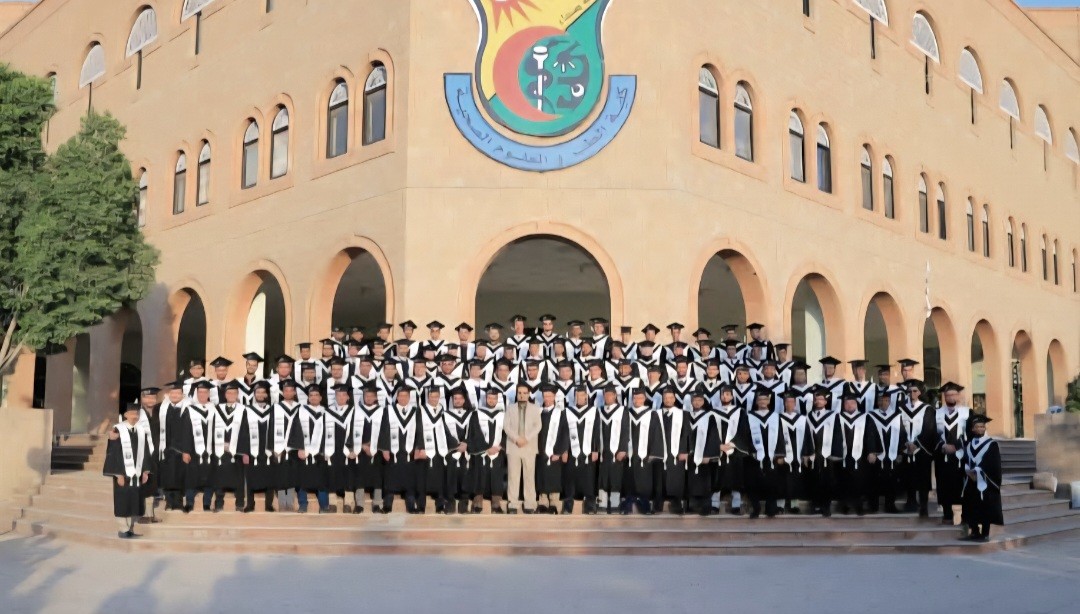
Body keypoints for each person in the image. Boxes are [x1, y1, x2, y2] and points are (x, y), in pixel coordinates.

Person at [103, 403, 153, 539]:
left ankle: (129, 528)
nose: (134, 416)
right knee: (122, 500)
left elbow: (145, 451)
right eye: (131, 413)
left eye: (136, 414)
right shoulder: (118, 429)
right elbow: (112, 452)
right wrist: (118, 474)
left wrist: (145, 471)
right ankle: (122, 529)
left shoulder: (141, 430)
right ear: (125, 415)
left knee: (133, 500)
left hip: (137, 472)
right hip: (122, 472)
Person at [835, 391, 883, 516]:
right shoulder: (838, 418)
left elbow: (871, 436)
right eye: (846, 403)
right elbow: (834, 437)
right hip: (844, 455)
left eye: (852, 402)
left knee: (860, 481)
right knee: (844, 481)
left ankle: (859, 506)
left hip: (861, 456)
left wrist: (872, 452)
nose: (849, 405)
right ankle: (845, 505)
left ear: (856, 404)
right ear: (843, 405)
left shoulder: (865, 418)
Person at [744, 387, 785, 518]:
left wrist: (780, 454)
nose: (762, 401)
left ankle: (771, 507)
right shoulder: (750, 417)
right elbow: (746, 436)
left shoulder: (775, 416)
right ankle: (756, 508)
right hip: (755, 456)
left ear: (768, 401)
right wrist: (751, 451)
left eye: (765, 399)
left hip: (771, 456)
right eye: (760, 399)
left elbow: (780, 436)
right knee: (753, 483)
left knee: (772, 482)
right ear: (756, 401)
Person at [960, 415, 1003, 542]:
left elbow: (993, 463)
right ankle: (974, 531)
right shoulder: (969, 444)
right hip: (971, 480)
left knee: (985, 505)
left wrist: (978, 471)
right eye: (977, 427)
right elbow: (965, 459)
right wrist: (967, 470)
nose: (980, 429)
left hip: (984, 481)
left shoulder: (992, 444)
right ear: (972, 429)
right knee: (971, 505)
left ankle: (985, 533)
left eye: (982, 426)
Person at [622, 387, 665, 515]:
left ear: (644, 399)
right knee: (629, 479)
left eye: (640, 398)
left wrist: (654, 453)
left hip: (645, 454)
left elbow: (656, 434)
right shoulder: (626, 413)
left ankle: (645, 505)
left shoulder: (652, 414)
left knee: (644, 481)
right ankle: (627, 504)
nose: (637, 400)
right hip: (630, 454)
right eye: (635, 398)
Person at [935, 382, 972, 525]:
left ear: (958, 395)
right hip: (943, 455)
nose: (950, 397)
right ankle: (947, 514)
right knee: (944, 484)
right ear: (944, 397)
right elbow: (932, 433)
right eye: (947, 395)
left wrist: (956, 446)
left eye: (953, 394)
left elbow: (971, 433)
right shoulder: (937, 413)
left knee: (962, 484)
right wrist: (942, 446)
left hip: (961, 455)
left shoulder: (967, 413)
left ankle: (965, 515)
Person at [380, 387, 421, 513]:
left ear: (409, 398)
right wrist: (384, 449)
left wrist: (418, 448)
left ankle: (411, 505)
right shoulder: (389, 410)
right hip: (394, 452)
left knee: (410, 480)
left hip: (409, 452)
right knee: (390, 478)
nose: (403, 398)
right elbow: (384, 429)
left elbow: (420, 431)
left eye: (405, 396)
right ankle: (387, 505)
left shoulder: (415, 411)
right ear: (397, 397)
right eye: (400, 396)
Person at [899, 379, 936, 516]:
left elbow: (929, 428)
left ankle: (924, 505)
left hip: (922, 449)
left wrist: (916, 444)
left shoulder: (927, 409)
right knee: (908, 476)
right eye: (909, 391)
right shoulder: (901, 409)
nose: (912, 393)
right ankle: (910, 502)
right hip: (906, 448)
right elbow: (899, 428)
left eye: (915, 391)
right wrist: (906, 443)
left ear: (920, 392)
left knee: (923, 477)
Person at [504, 382, 543, 514]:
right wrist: (516, 438)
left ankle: (530, 503)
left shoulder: (535, 408)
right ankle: (513, 504)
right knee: (513, 476)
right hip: (514, 446)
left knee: (529, 476)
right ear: (516, 394)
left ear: (528, 394)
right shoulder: (510, 408)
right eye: (519, 393)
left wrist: (526, 438)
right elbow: (506, 426)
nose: (522, 395)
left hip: (529, 446)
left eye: (524, 393)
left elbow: (538, 426)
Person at [562, 386, 601, 514]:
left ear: (586, 397)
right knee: (570, 477)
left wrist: (595, 449)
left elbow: (596, 431)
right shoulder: (567, 411)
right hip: (571, 450)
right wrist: (564, 450)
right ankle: (568, 504)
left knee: (589, 477)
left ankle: (590, 504)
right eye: (577, 395)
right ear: (574, 397)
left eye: (583, 395)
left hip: (588, 451)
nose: (580, 398)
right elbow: (564, 432)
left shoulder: (593, 411)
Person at [210, 381, 247, 512]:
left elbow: (245, 430)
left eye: (234, 393)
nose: (231, 395)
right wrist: (221, 443)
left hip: (237, 450)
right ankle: (219, 503)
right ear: (225, 395)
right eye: (229, 393)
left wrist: (241, 448)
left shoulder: (243, 410)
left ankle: (240, 503)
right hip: (220, 448)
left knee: (239, 477)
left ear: (237, 395)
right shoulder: (217, 409)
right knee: (219, 476)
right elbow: (212, 428)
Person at [468, 388, 507, 513]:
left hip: (497, 451)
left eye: (494, 398)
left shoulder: (503, 415)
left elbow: (507, 433)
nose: (491, 400)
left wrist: (499, 447)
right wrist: (486, 448)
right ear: (485, 399)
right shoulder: (477, 414)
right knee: (479, 474)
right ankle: (477, 502)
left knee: (496, 476)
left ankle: (496, 503)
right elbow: (475, 433)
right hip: (482, 452)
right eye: (489, 398)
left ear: (497, 400)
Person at [712, 384, 749, 515]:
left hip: (735, 450)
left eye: (728, 394)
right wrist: (718, 445)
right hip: (719, 450)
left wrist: (733, 443)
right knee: (717, 477)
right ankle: (714, 504)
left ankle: (736, 505)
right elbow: (711, 432)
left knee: (736, 477)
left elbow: (744, 430)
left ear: (732, 396)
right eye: (723, 394)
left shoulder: (740, 412)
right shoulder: (714, 413)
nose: (725, 396)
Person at [349, 382, 385, 514]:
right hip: (361, 450)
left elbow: (385, 431)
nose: (369, 398)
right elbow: (351, 431)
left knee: (377, 477)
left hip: (377, 450)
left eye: (371, 396)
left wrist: (375, 446)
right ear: (363, 397)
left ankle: (377, 504)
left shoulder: (382, 411)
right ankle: (359, 504)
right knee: (360, 476)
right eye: (366, 396)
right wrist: (363, 446)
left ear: (376, 397)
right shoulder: (356, 411)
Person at [867, 392, 905, 514]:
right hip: (877, 455)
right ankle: (873, 506)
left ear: (889, 401)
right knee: (874, 480)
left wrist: (900, 452)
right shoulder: (871, 415)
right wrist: (871, 451)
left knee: (892, 481)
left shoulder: (897, 416)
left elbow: (902, 435)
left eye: (885, 400)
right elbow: (869, 435)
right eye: (880, 400)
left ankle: (890, 505)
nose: (882, 402)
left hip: (892, 455)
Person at [241, 380, 276, 512]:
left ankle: (269, 504)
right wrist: (244, 452)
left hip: (269, 449)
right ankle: (250, 504)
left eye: (263, 392)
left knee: (270, 476)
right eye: (258, 392)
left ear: (267, 394)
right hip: (252, 449)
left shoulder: (273, 410)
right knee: (250, 476)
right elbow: (243, 432)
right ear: (254, 394)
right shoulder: (248, 410)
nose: (260, 394)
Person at [295, 385, 330, 514]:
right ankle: (303, 504)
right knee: (302, 478)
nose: (314, 397)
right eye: (311, 395)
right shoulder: (301, 411)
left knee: (322, 479)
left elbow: (330, 432)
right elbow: (296, 430)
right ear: (308, 398)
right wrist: (300, 448)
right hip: (305, 450)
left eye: (316, 395)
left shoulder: (327, 412)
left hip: (321, 451)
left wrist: (328, 449)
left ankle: (324, 505)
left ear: (321, 397)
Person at [181, 381, 216, 513]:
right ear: (197, 393)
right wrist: (185, 451)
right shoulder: (190, 410)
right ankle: (189, 502)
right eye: (200, 392)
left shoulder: (215, 409)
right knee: (191, 477)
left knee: (210, 476)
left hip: (211, 450)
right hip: (193, 450)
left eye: (205, 392)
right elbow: (185, 432)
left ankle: (207, 503)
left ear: (209, 394)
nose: (202, 394)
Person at [805, 386, 840, 516]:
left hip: (827, 454)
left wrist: (835, 454)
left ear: (825, 401)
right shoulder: (809, 416)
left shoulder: (832, 416)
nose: (818, 401)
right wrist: (806, 453)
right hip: (814, 454)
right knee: (814, 480)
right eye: (817, 399)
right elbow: (806, 436)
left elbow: (837, 435)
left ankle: (826, 506)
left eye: (821, 399)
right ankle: (815, 505)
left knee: (827, 481)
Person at [655, 388, 690, 515]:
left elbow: (686, 433)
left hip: (677, 451)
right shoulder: (656, 414)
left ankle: (676, 504)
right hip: (660, 450)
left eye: (670, 398)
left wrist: (684, 451)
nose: (668, 400)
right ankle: (658, 504)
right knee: (660, 478)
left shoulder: (683, 414)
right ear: (662, 399)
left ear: (674, 399)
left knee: (676, 478)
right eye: (665, 398)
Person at [157, 381, 190, 512]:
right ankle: (169, 501)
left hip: (181, 449)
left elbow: (190, 431)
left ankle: (178, 501)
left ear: (182, 395)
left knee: (180, 476)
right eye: (172, 393)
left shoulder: (188, 408)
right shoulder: (163, 408)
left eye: (177, 393)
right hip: (166, 447)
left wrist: (187, 450)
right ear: (168, 394)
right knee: (167, 476)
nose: (175, 395)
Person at [535, 383, 568, 514]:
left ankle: (553, 503)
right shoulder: (538, 412)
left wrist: (559, 452)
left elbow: (564, 434)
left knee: (554, 477)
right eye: (545, 396)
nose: (547, 398)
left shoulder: (561, 414)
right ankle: (543, 502)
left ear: (554, 397)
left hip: (554, 452)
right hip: (541, 451)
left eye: (550, 396)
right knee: (542, 476)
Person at [271, 379, 303, 512]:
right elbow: (271, 428)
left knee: (291, 475)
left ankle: (289, 502)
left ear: (295, 392)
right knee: (279, 474)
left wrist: (300, 446)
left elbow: (302, 429)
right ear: (282, 392)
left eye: (291, 390)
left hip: (293, 448)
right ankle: (281, 502)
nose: (288, 392)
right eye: (286, 390)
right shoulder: (276, 408)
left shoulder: (300, 408)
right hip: (279, 448)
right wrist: (272, 447)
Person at [324, 384, 355, 512]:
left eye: (343, 395)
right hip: (333, 448)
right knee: (331, 473)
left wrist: (354, 449)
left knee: (348, 474)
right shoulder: (328, 412)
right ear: (335, 397)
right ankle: (332, 503)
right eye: (338, 395)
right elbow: (323, 431)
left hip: (348, 449)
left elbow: (357, 432)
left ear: (348, 397)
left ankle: (348, 503)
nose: (341, 397)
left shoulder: (353, 411)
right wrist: (324, 449)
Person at [778, 389, 811, 514]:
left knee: (796, 479)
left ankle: (794, 504)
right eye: (787, 402)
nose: (789, 404)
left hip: (798, 455)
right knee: (781, 480)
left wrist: (806, 454)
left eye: (792, 401)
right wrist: (779, 455)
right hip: (784, 455)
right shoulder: (779, 418)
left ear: (795, 403)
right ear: (784, 403)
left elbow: (807, 437)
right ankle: (780, 505)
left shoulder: (802, 419)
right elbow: (776, 438)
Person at [443, 387, 473, 514]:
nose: (458, 400)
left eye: (460, 398)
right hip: (452, 450)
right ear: (452, 400)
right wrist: (456, 446)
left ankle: (464, 502)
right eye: (455, 398)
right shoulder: (445, 415)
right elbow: (444, 432)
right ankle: (450, 501)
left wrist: (466, 443)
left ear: (464, 400)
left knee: (466, 473)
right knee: (451, 472)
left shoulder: (472, 414)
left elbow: (474, 431)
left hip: (467, 450)